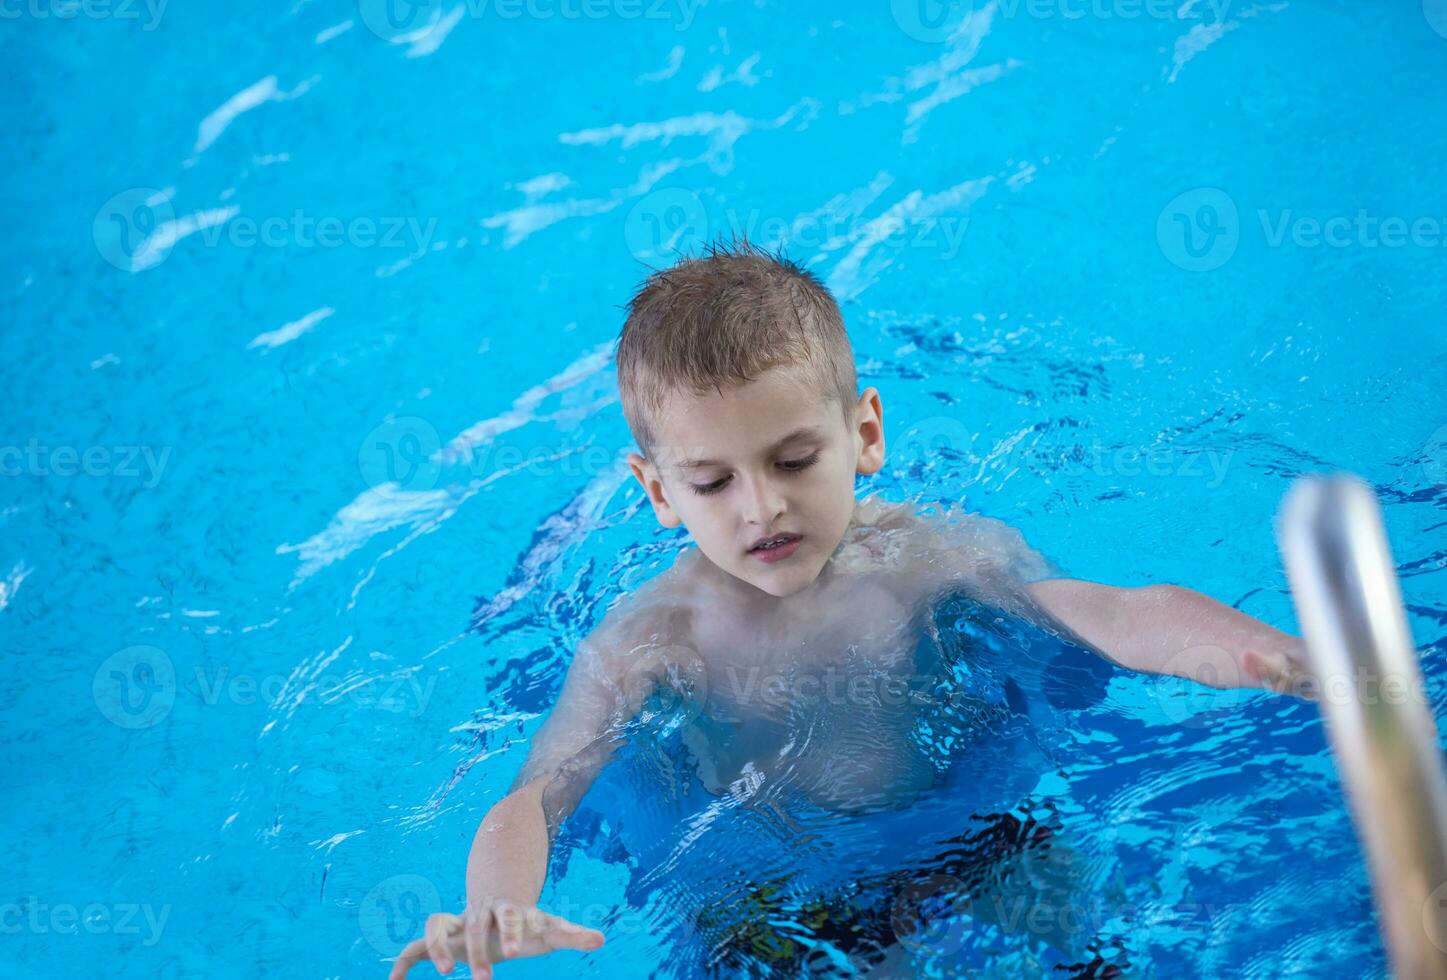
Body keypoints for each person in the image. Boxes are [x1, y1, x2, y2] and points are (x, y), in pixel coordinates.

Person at [389, 240, 1311, 979]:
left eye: (793, 461)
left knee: (1085, 934)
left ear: (864, 433)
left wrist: (1272, 659)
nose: (762, 508)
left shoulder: (933, 558)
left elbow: (1113, 613)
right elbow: (536, 799)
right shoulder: (648, 639)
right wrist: (493, 909)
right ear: (659, 492)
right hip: (767, 905)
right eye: (711, 482)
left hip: (974, 842)